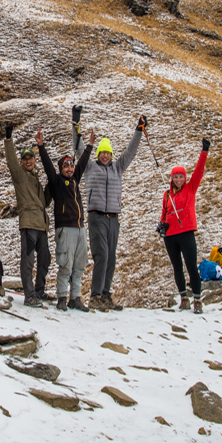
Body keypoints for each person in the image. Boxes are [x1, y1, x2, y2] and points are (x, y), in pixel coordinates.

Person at [72, 106, 144, 311]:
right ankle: (95, 295)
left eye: (108, 153)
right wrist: (75, 124)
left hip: (114, 218)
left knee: (111, 256)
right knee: (101, 254)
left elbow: (131, 151)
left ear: (111, 154)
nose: (105, 156)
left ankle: (105, 295)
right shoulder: (90, 167)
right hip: (97, 217)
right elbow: (78, 148)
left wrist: (138, 130)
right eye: (102, 152)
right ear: (98, 154)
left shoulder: (118, 167)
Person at [35, 125, 94, 312]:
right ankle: (62, 296)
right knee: (65, 264)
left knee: (79, 264)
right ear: (61, 169)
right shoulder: (57, 182)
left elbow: (83, 162)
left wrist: (90, 145)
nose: (69, 168)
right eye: (66, 166)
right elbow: (48, 167)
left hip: (80, 228)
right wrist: (41, 146)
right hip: (65, 229)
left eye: (71, 165)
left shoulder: (75, 178)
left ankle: (75, 297)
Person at [159, 137, 212, 314]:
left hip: (187, 232)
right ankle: (184, 298)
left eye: (181, 176)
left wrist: (204, 151)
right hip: (171, 236)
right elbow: (164, 215)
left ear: (185, 177)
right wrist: (162, 226)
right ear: (172, 178)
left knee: (191, 267)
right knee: (177, 268)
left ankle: (197, 300)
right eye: (176, 176)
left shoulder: (190, 188)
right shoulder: (167, 195)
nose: (179, 179)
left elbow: (199, 171)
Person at [4, 124, 52, 307]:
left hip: (41, 225)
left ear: (34, 160)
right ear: (23, 162)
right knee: (28, 260)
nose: (28, 160)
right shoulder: (20, 176)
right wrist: (9, 139)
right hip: (29, 225)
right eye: (25, 159)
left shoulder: (36, 179)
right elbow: (11, 161)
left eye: (31, 157)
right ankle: (29, 295)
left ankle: (39, 291)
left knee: (45, 259)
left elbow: (44, 203)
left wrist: (50, 188)